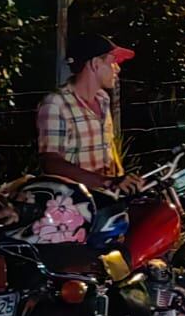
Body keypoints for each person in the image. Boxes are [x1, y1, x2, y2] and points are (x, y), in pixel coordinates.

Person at [36, 33, 143, 195]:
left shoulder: (103, 99)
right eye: (112, 61)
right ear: (95, 64)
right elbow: (51, 162)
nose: (117, 68)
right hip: (78, 207)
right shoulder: (56, 104)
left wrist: (119, 182)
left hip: (108, 198)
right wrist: (106, 182)